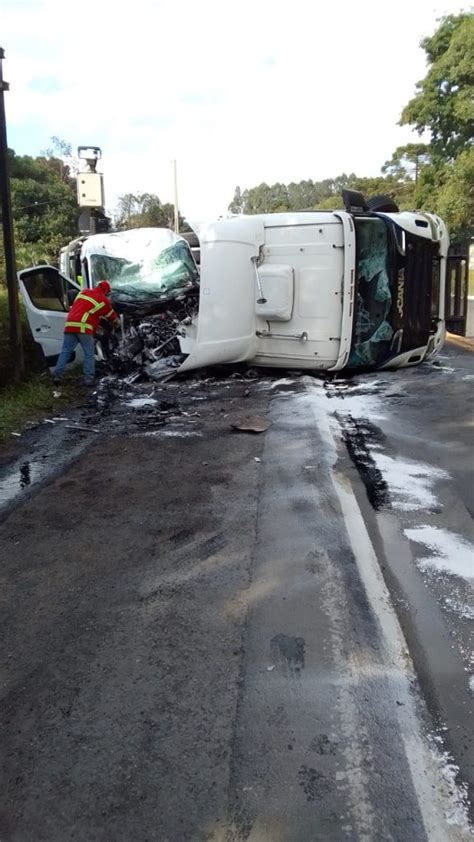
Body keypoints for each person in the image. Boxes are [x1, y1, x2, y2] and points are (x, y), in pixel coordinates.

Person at [53, 281, 118, 386]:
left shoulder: (83, 292)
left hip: (70, 324)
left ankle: (57, 376)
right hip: (84, 327)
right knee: (89, 354)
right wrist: (117, 323)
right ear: (106, 291)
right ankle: (88, 379)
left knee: (65, 351)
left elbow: (84, 308)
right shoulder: (103, 300)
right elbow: (112, 316)